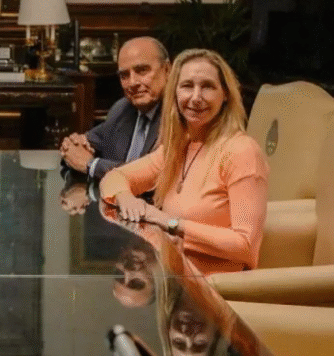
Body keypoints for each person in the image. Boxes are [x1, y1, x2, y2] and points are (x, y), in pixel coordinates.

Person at [100, 49, 269, 275]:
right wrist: (125, 197)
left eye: (207, 86)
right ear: (175, 93)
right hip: (175, 278)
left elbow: (246, 247)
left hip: (216, 288)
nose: (196, 97)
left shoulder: (242, 151)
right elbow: (114, 177)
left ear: (225, 95)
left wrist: (169, 222)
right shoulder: (180, 147)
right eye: (187, 86)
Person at [61, 36, 170, 181]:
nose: (132, 83)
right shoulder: (122, 108)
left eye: (142, 70)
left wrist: (91, 165)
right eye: (124, 75)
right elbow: (81, 147)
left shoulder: (180, 115)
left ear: (167, 70)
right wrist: (72, 146)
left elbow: (155, 176)